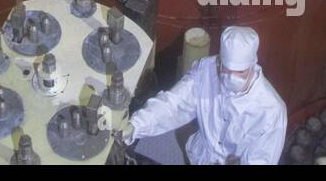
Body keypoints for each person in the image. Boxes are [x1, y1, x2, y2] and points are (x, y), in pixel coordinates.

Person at [120, 26, 287, 165]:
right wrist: (136, 126)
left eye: (239, 72)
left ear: (252, 64)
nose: (230, 77)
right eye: (225, 69)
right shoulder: (207, 71)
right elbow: (174, 104)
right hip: (198, 156)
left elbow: (261, 160)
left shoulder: (271, 112)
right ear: (220, 60)